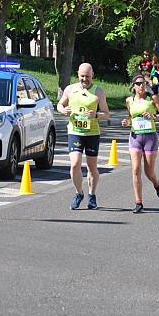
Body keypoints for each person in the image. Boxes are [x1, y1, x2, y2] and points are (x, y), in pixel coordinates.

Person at [57, 63, 110, 209]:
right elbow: (59, 105)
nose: (84, 79)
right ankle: (78, 193)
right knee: (75, 164)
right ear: (78, 75)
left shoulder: (98, 92)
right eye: (82, 76)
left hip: (92, 133)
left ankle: (92, 195)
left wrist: (96, 115)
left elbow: (107, 114)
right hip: (75, 132)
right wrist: (63, 110)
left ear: (92, 75)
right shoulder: (70, 89)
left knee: (92, 167)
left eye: (87, 76)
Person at [121, 73, 159, 213]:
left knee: (149, 172)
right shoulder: (129, 100)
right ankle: (138, 202)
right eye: (138, 84)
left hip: (150, 138)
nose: (141, 86)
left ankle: (157, 185)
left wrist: (153, 116)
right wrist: (127, 122)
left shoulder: (152, 99)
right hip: (135, 137)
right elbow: (131, 117)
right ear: (133, 86)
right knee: (135, 169)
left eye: (143, 83)